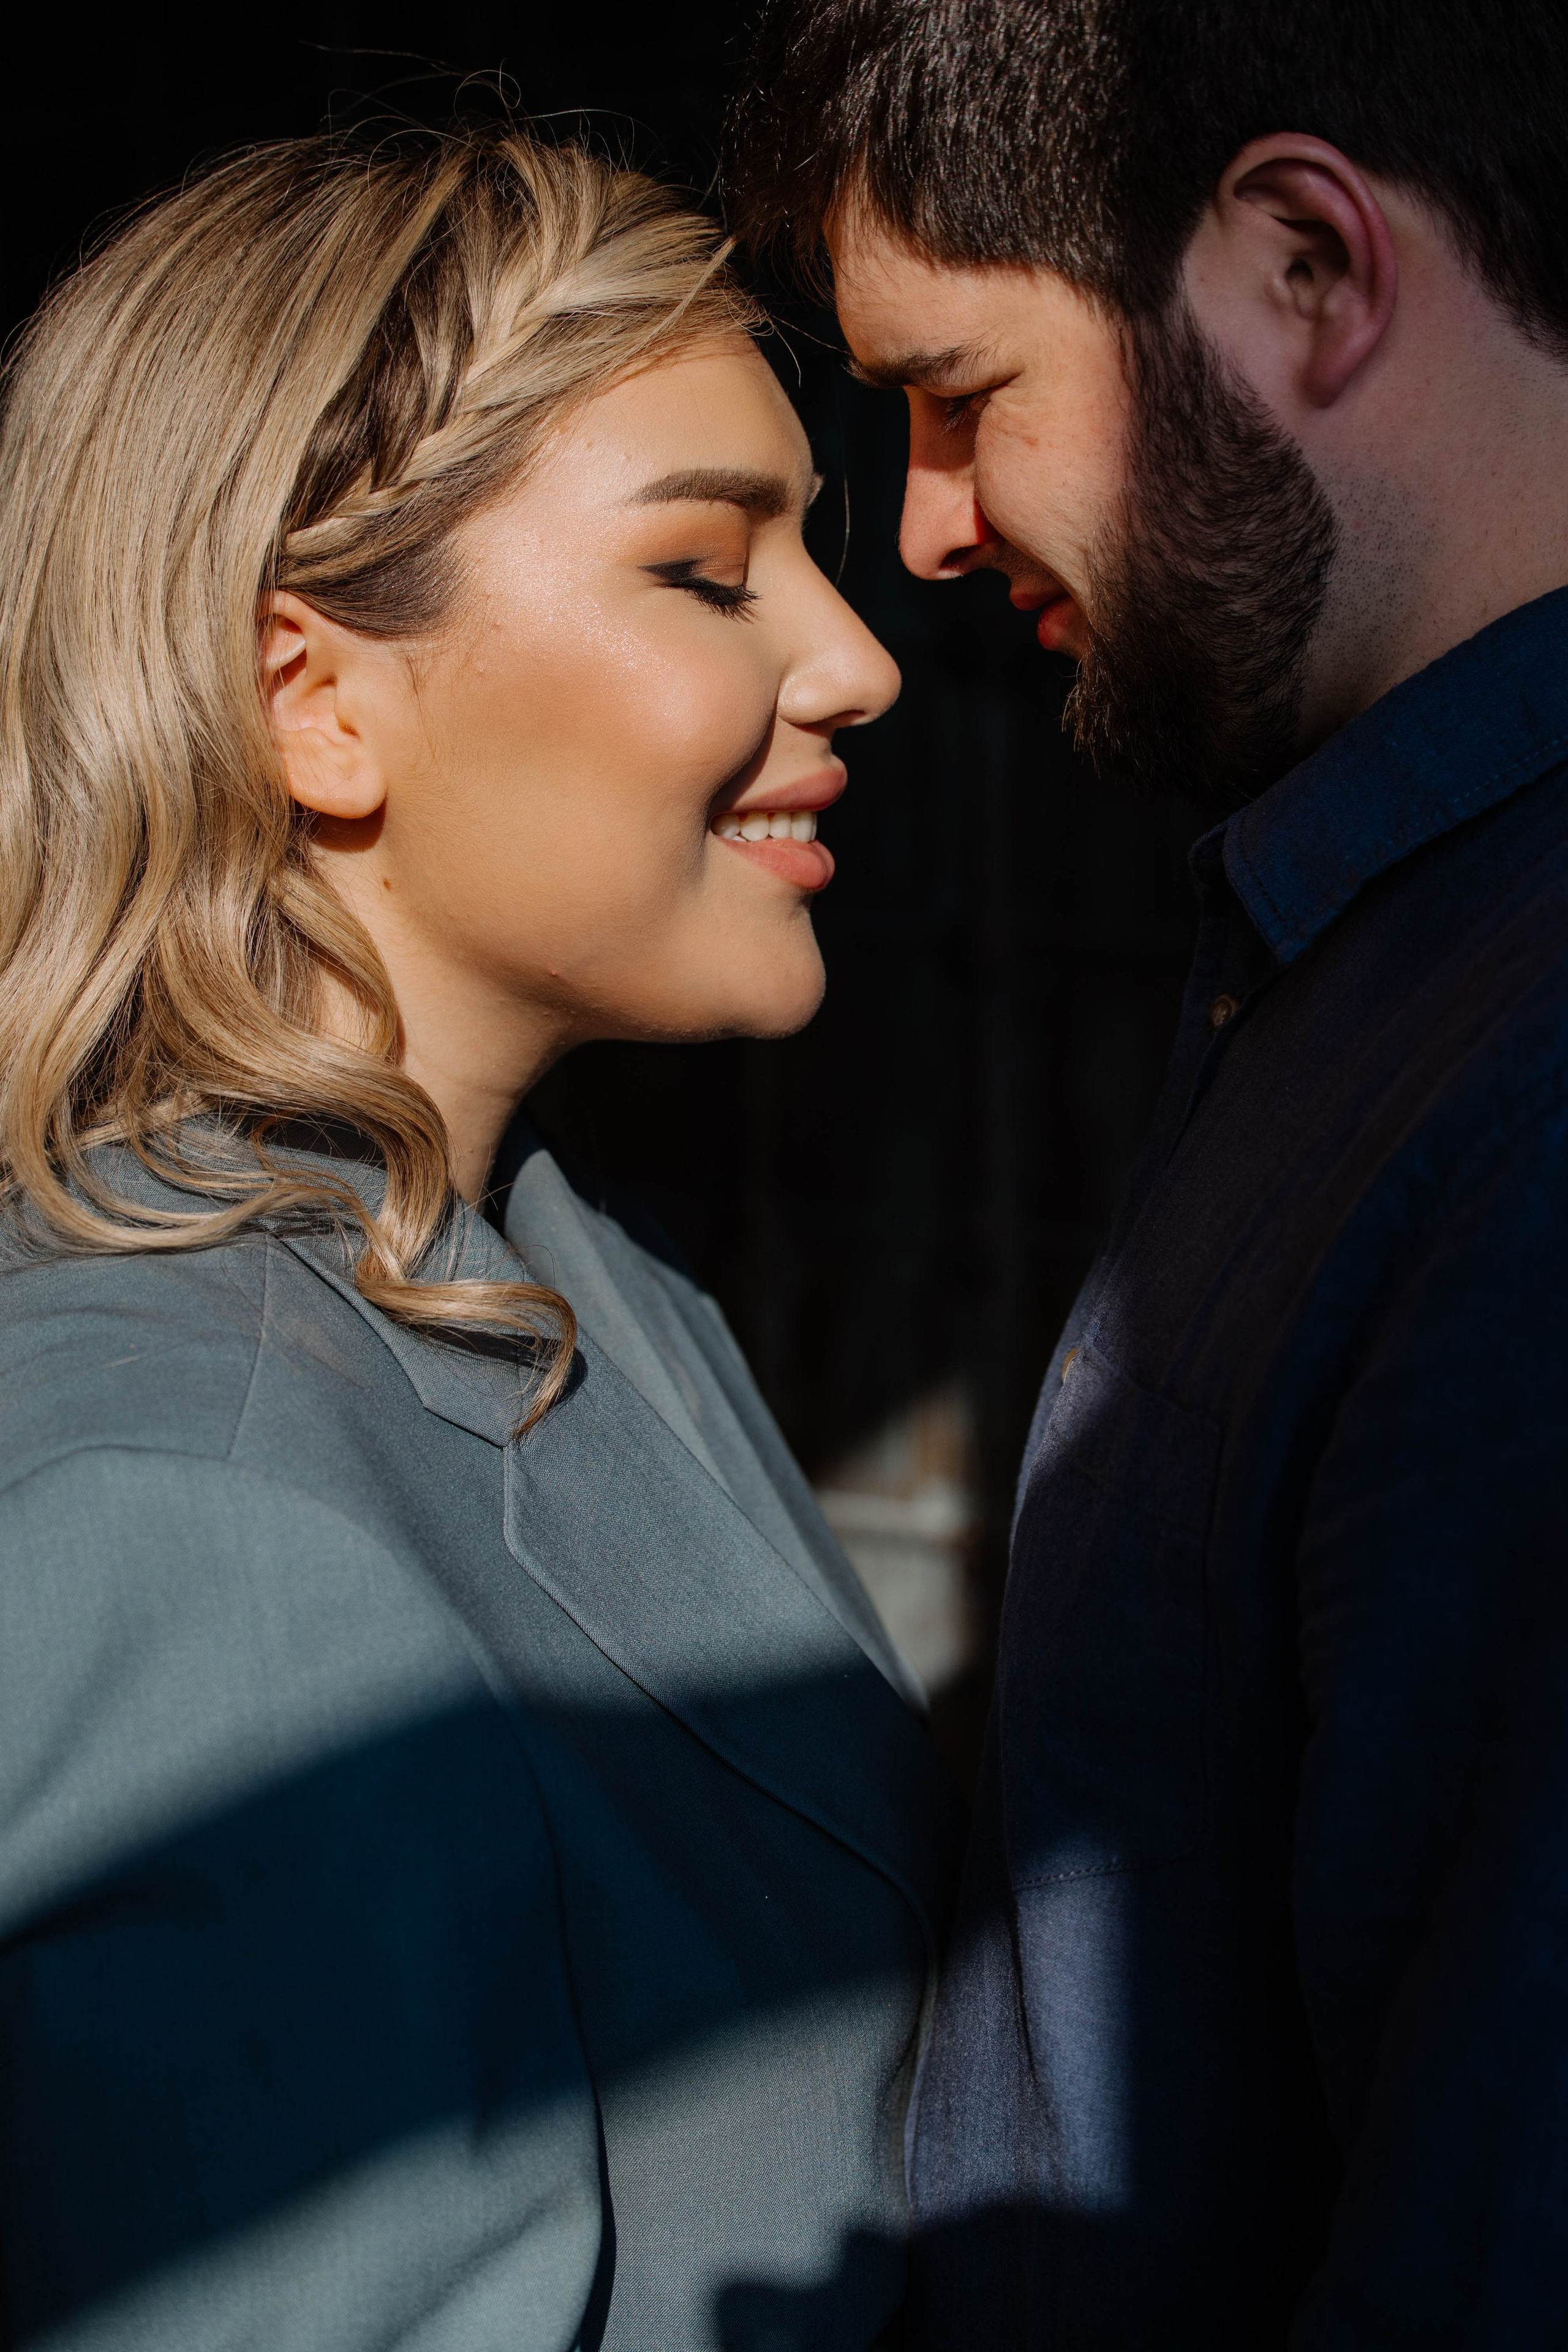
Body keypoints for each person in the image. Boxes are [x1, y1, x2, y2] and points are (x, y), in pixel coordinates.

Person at [0, 127, 962, 2351]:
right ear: (311, 695)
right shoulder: (189, 1499)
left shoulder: (548, 1266)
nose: (855, 661)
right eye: (709, 574)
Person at [728, 2, 1568, 2345]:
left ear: (1310, 267)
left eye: (963, 395)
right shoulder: (1370, 954)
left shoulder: (1527, 1087)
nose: (920, 526)